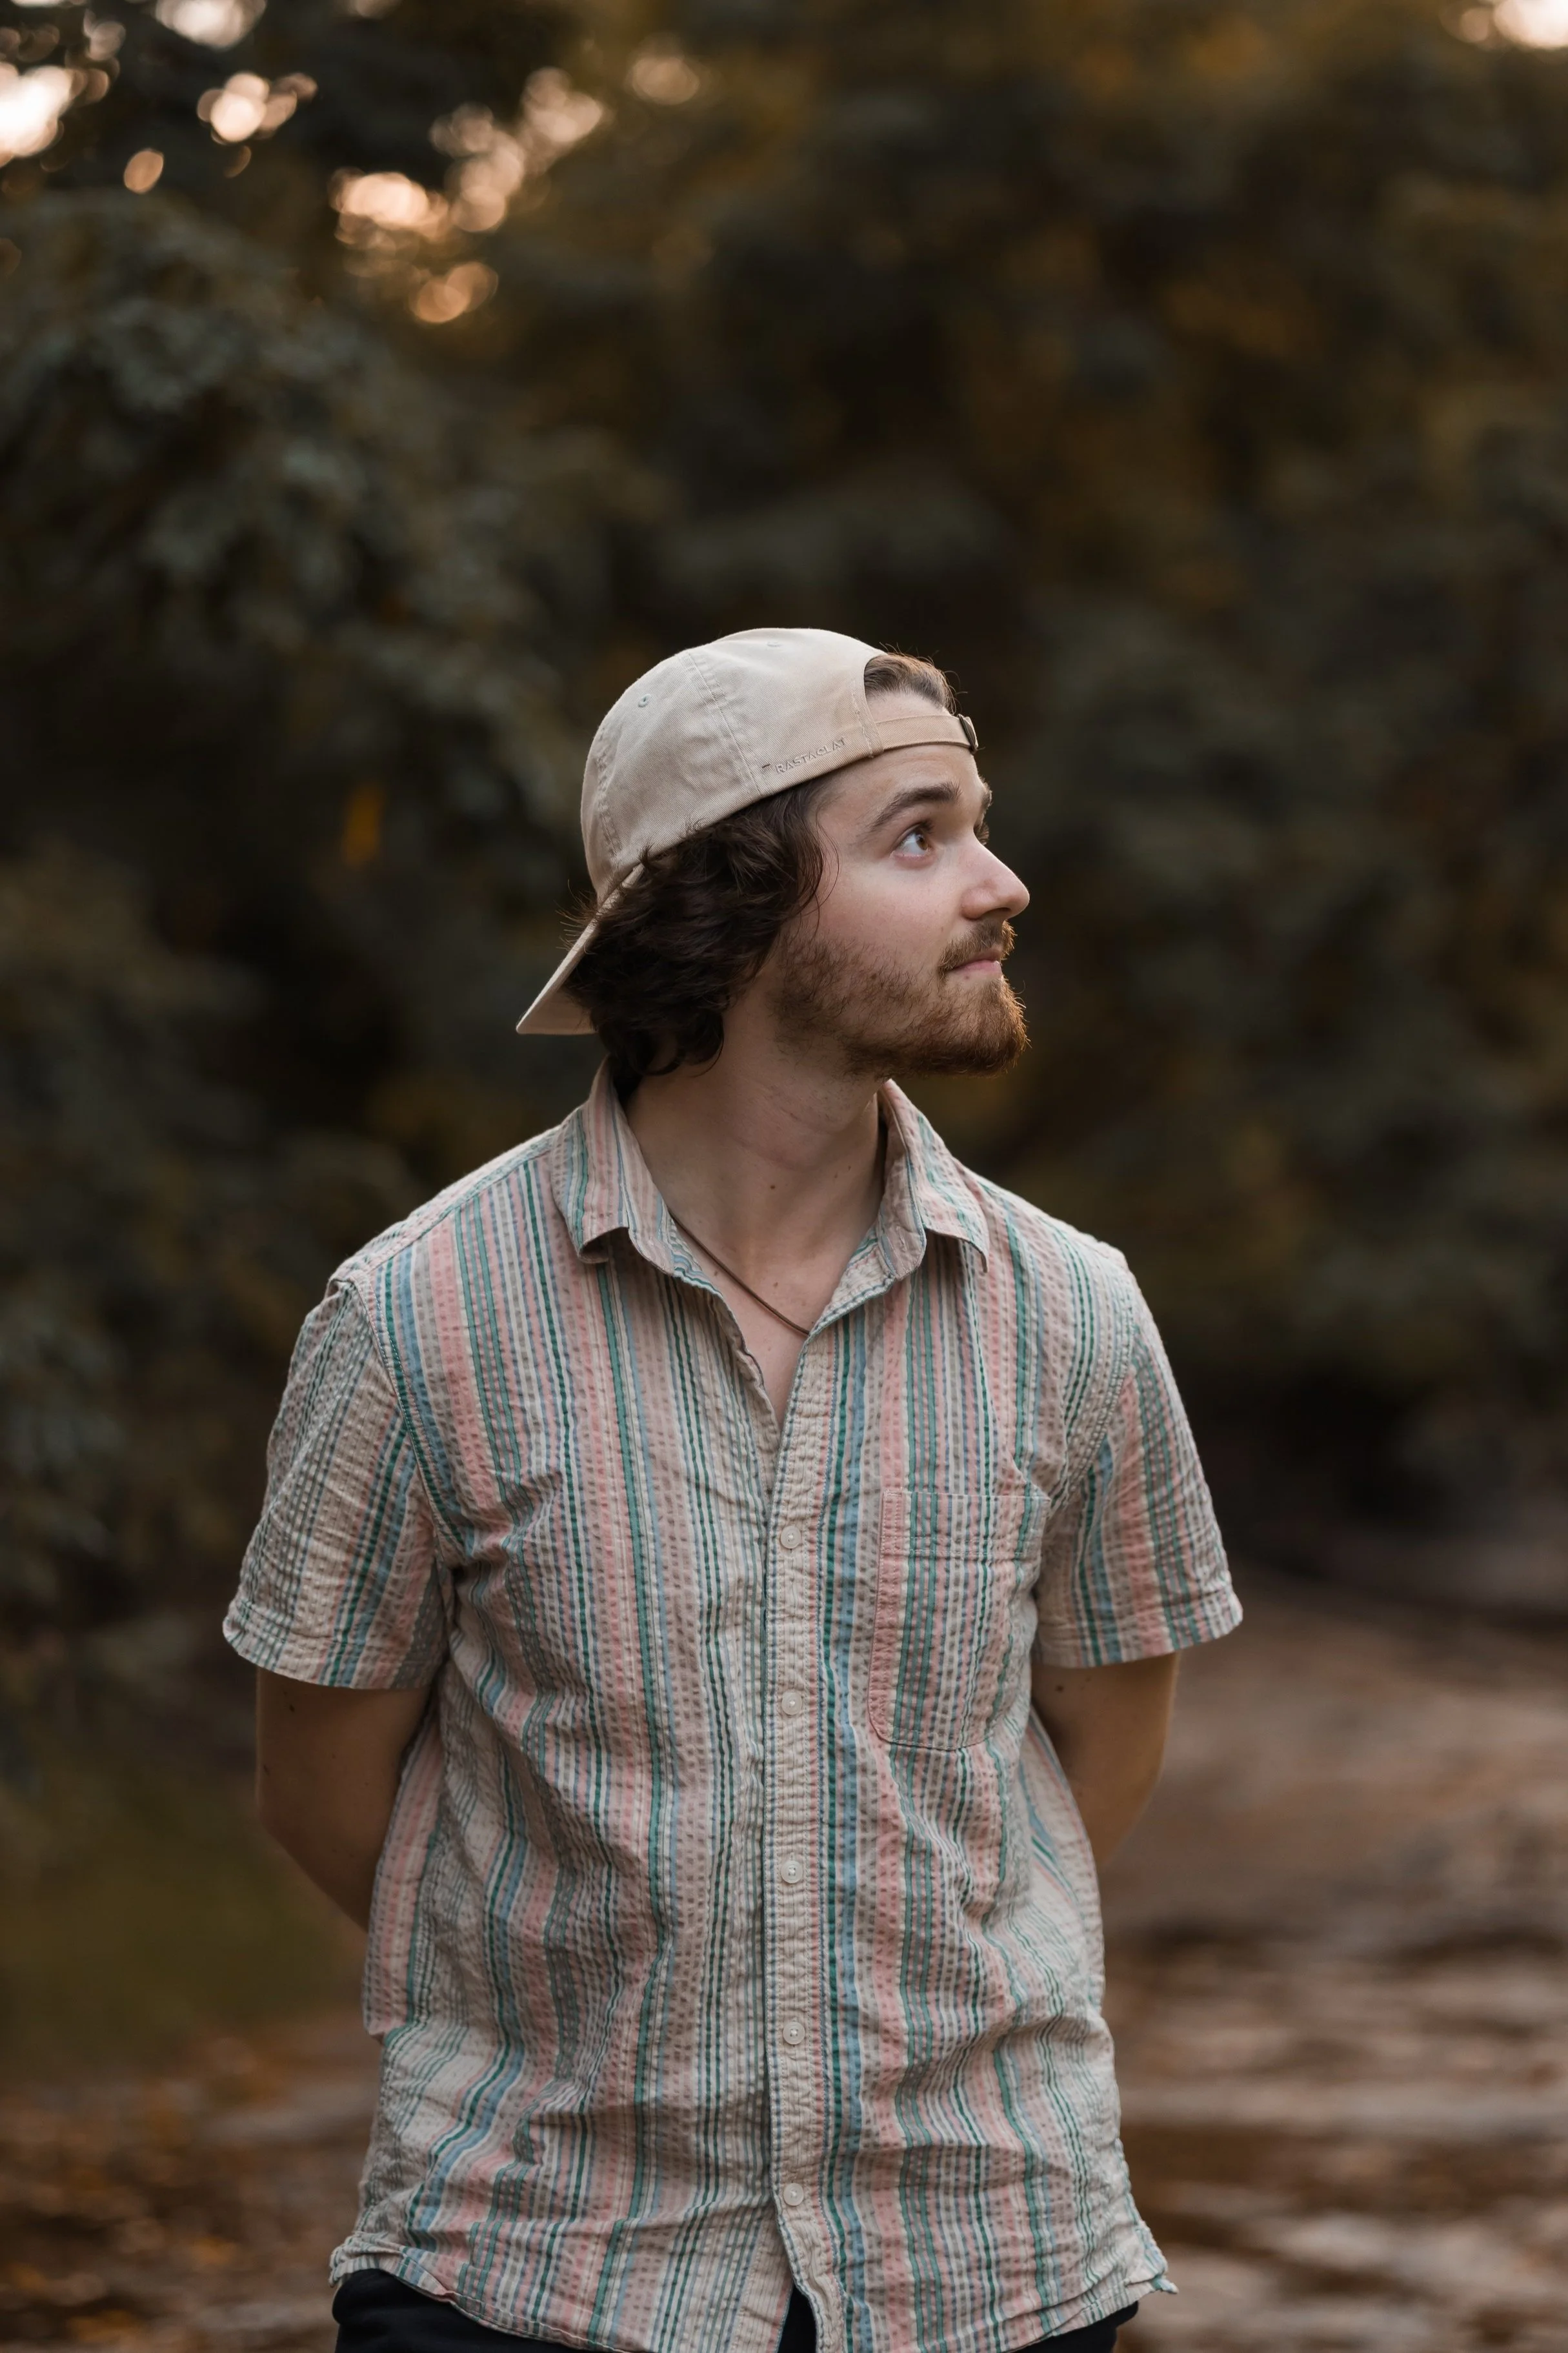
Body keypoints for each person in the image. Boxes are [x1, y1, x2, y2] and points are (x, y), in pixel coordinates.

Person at [226, 629, 1240, 2353]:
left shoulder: (1074, 1313)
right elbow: (323, 1785)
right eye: (918, 834)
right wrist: (582, 2008)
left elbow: (1093, 1762)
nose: (998, 883)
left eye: (975, 825)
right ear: (736, 898)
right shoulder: (413, 1318)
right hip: (526, 2269)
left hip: (985, 2268)